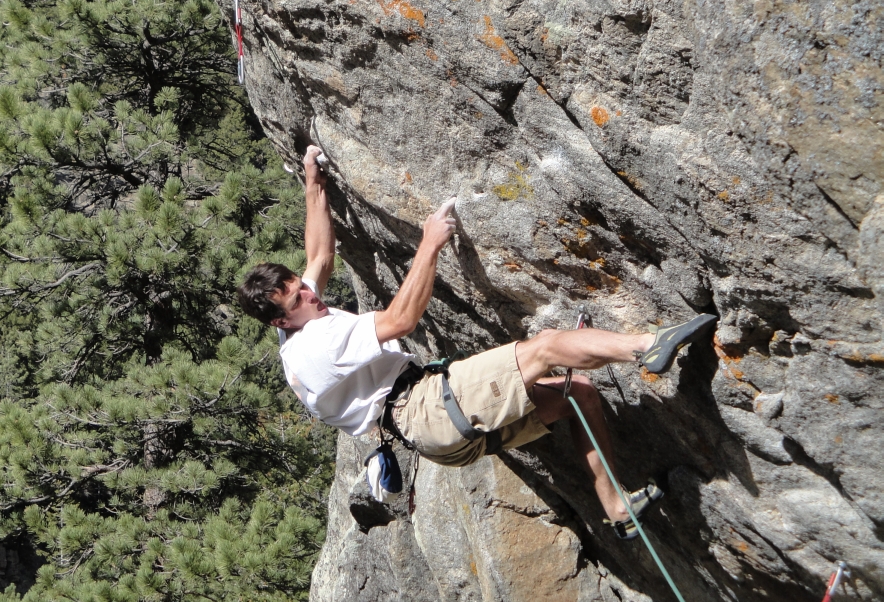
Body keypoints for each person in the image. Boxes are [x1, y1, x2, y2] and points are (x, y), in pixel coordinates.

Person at [236, 146, 717, 539]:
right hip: (427, 408)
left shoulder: (295, 326)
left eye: (300, 286)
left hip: (437, 441)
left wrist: (314, 182)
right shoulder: (318, 342)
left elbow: (320, 254)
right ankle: (647, 346)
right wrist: (430, 243)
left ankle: (616, 509)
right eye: (297, 298)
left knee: (579, 394)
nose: (310, 294)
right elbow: (401, 320)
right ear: (281, 319)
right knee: (546, 346)